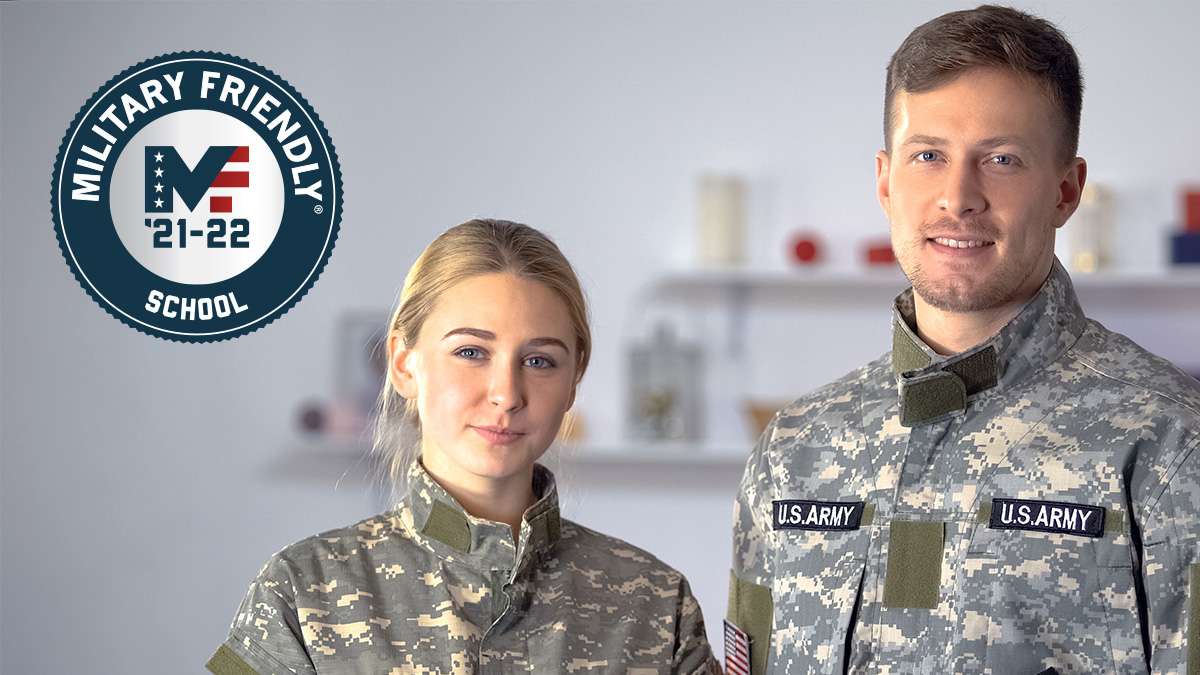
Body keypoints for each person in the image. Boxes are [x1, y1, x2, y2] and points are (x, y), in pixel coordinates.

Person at [727, 5, 1200, 674]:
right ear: (886, 179)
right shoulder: (794, 449)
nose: (958, 196)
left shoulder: (1170, 444)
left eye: (1001, 159)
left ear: (1067, 190)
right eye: (929, 156)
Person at [207, 219, 720, 674]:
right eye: (471, 352)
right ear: (405, 365)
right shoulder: (302, 591)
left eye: (539, 361)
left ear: (574, 382)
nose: (506, 394)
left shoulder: (655, 606)